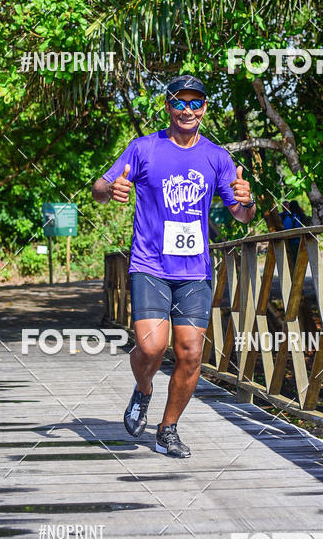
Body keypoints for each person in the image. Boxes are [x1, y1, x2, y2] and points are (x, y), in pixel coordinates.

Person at [92, 75, 256, 457]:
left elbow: (241, 215)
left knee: (191, 354)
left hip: (195, 271)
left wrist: (247, 202)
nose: (187, 110)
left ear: (205, 108)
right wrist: (110, 190)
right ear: (167, 106)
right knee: (151, 348)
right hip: (150, 264)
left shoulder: (217, 156)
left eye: (195, 103)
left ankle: (167, 430)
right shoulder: (143, 148)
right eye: (179, 102)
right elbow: (99, 189)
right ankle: (143, 388)